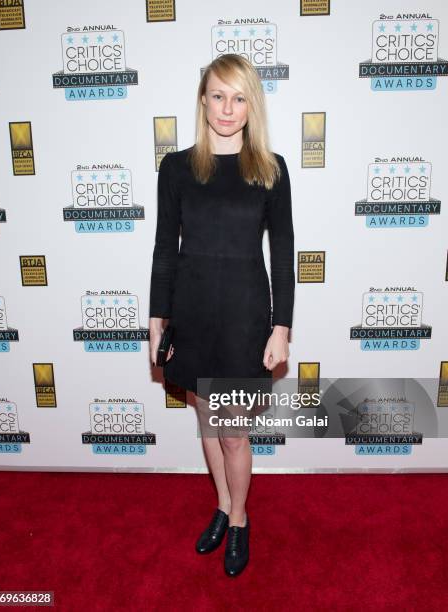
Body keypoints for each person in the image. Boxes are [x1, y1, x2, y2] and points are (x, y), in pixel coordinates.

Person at [149, 54, 295, 577]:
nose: (227, 108)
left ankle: (239, 519)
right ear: (203, 99)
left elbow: (283, 254)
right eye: (217, 95)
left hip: (243, 317)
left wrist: (281, 328)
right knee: (207, 425)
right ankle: (221, 504)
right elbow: (165, 249)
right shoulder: (178, 168)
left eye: (238, 97)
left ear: (251, 103)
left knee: (232, 432)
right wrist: (156, 322)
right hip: (190, 316)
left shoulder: (270, 171)